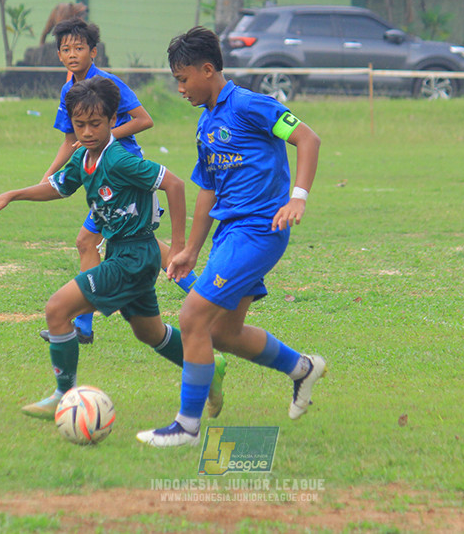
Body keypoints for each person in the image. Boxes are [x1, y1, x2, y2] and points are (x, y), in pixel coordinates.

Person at [0, 76, 226, 419]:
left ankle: (63, 394)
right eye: (79, 125)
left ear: (114, 121)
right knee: (150, 333)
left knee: (57, 309)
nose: (86, 132)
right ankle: (209, 366)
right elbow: (58, 187)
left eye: (95, 124)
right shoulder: (83, 158)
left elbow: (173, 183)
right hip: (126, 254)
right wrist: (12, 195)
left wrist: (181, 246)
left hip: (133, 256)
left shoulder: (119, 160)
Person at [136, 26, 326, 448]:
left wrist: (298, 198)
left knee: (191, 317)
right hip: (229, 233)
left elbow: (307, 139)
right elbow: (208, 192)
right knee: (223, 333)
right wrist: (189, 250)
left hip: (260, 231)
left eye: (183, 79)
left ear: (208, 70)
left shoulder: (250, 105)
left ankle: (186, 427)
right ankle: (302, 369)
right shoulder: (206, 125)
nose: (180, 88)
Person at [42, 18, 199, 345]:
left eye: (79, 48)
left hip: (123, 173)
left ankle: (82, 326)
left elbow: (145, 119)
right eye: (66, 49)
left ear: (93, 51)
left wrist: (103, 135)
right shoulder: (69, 89)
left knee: (90, 241)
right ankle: (204, 293)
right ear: (58, 54)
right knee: (142, 244)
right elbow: (68, 140)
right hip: (100, 174)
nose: (73, 54)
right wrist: (50, 176)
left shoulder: (106, 82)